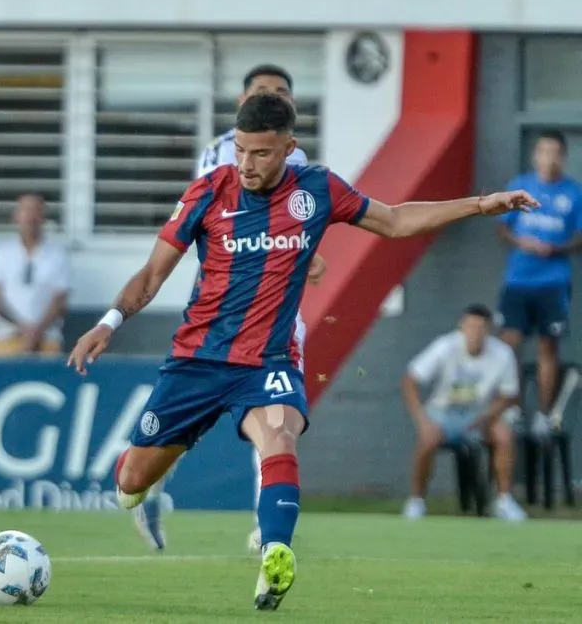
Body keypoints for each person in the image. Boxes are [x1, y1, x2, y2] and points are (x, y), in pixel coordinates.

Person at [67, 93, 538, 611]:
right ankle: (152, 474)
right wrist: (109, 322)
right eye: (241, 150)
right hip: (197, 361)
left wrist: (481, 204)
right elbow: (154, 273)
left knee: (279, 437)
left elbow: (396, 220)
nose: (246, 164)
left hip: (267, 362)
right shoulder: (209, 190)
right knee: (131, 483)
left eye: (261, 153)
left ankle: (275, 554)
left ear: (289, 147)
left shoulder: (317, 189)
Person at [133, 64, 326, 555]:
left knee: (276, 418)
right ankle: (149, 489)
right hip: (220, 307)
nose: (273, 97)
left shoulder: (298, 157)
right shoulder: (221, 154)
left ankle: (268, 531)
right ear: (242, 101)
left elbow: (293, 220)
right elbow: (212, 221)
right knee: (182, 422)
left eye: (282, 92)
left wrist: (305, 254)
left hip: (277, 307)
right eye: (263, 91)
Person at [402, 304, 527, 522]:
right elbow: (410, 379)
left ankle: (504, 501)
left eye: (480, 328)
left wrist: (486, 417)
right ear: (461, 326)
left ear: (489, 329)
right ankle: (416, 501)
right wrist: (422, 420)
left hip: (481, 414)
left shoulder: (503, 353)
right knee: (428, 439)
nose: (474, 333)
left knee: (504, 435)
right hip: (443, 413)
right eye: (470, 326)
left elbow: (508, 395)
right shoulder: (444, 346)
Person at [496, 130, 582, 441]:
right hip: (518, 279)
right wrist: (522, 242)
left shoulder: (574, 193)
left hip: (553, 283)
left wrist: (556, 248)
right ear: (535, 155)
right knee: (510, 343)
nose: (549, 158)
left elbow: (580, 238)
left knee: (548, 346)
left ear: (564, 157)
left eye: (555, 152)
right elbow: (502, 230)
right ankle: (514, 410)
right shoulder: (520, 187)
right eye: (544, 151)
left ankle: (544, 416)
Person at [0, 193, 70, 357]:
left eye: (37, 211)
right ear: (15, 217)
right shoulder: (1, 253)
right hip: (6, 337)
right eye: (26, 210)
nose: (31, 217)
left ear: (44, 218)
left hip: (47, 339)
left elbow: (60, 300)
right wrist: (22, 328)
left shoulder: (57, 255)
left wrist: (36, 331)